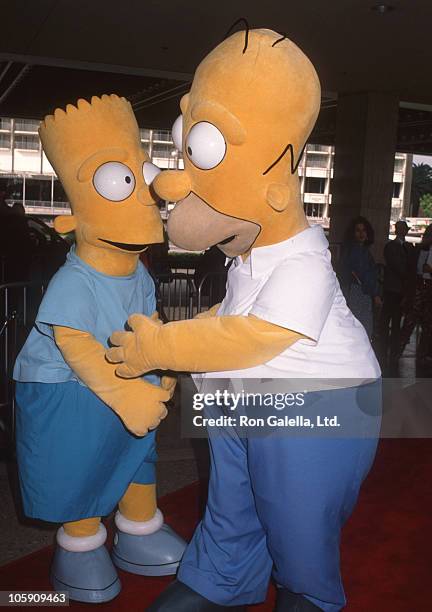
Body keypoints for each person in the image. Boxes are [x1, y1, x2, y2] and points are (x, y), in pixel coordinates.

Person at [107, 30, 381, 612]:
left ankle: (308, 593)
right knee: (232, 502)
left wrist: (165, 346)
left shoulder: (305, 261)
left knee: (294, 515)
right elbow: (233, 315)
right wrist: (182, 336)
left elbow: (252, 336)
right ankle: (222, 576)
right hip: (242, 401)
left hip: (317, 403)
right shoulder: (248, 256)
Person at [13, 95, 185, 603]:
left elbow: (145, 321)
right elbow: (72, 342)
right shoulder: (77, 277)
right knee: (80, 458)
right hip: (66, 384)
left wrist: (159, 359)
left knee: (134, 452)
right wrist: (125, 391)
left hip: (122, 376)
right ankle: (82, 540)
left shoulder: (137, 272)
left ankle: (138, 527)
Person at [339, 216, 382, 339]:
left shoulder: (354, 249)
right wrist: (376, 294)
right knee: (362, 330)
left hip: (355, 291)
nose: (361, 234)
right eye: (358, 230)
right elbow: (363, 274)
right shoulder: (358, 251)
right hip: (360, 293)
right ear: (353, 233)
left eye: (364, 230)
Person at [378, 220, 415, 362]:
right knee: (386, 319)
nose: (402, 231)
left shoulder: (408, 247)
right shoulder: (391, 247)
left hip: (401, 290)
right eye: (400, 228)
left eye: (404, 229)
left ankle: (392, 347)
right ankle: (383, 346)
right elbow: (396, 266)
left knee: (396, 320)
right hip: (392, 289)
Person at [399, 224, 432, 363]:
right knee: (411, 320)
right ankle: (398, 350)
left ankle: (422, 354)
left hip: (427, 287)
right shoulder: (418, 250)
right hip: (420, 286)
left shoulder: (419, 249)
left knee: (427, 324)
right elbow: (411, 270)